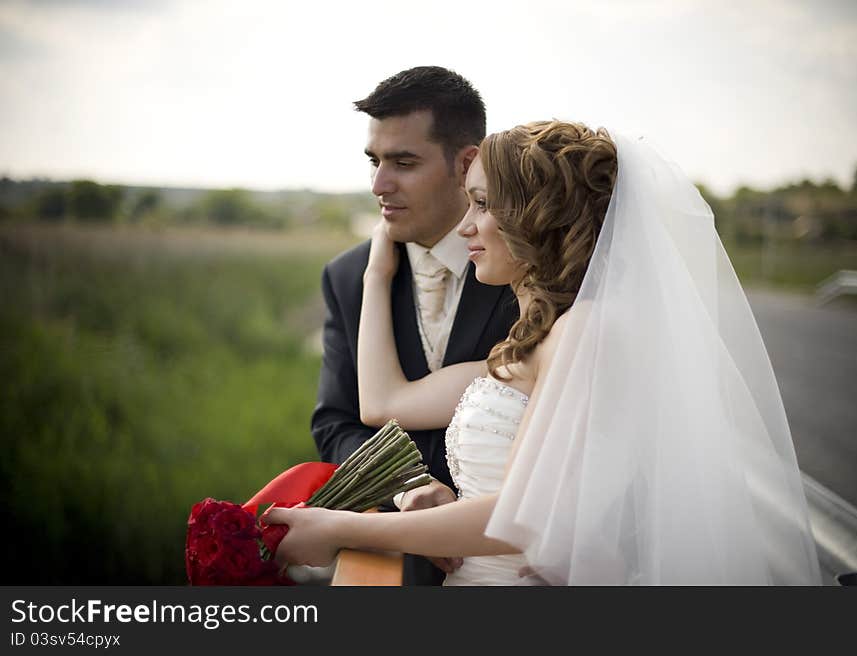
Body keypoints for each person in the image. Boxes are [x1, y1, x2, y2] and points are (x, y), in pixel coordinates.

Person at [272, 121, 822, 585]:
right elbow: (385, 402)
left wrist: (339, 527)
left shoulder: (587, 333)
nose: (465, 225)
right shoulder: (529, 347)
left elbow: (520, 522)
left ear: (540, 216)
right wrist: (376, 272)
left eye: (483, 204)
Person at [310, 66, 518, 584]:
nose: (380, 185)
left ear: (466, 162)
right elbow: (336, 422)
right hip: (387, 566)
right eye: (374, 161)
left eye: (404, 162)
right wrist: (405, 485)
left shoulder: (529, 269)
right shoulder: (348, 276)